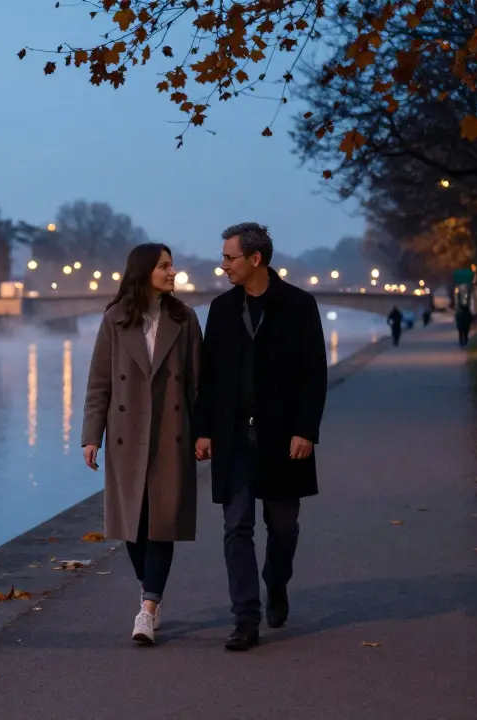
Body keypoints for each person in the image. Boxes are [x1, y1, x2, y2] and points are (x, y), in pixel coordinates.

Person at [193, 222, 328, 652]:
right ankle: (245, 619)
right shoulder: (220, 308)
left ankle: (276, 581)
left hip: (284, 437)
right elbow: (208, 378)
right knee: (237, 528)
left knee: (283, 527)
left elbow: (314, 375)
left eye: (229, 258)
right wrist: (202, 430)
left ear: (256, 259)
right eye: (223, 258)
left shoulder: (299, 305)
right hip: (233, 438)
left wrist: (306, 430)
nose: (223, 266)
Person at [81, 242, 202, 645]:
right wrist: (90, 437)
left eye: (172, 266)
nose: (173, 273)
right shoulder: (114, 320)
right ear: (143, 272)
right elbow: (99, 383)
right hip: (125, 435)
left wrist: (204, 433)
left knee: (162, 524)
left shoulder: (185, 320)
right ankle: (149, 587)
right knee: (133, 526)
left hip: (172, 434)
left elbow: (199, 384)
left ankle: (148, 608)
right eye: (165, 266)